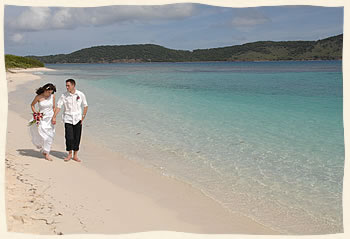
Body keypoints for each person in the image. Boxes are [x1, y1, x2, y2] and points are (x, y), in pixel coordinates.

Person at [52, 79, 88, 162]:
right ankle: (69, 154)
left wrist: (83, 116)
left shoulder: (80, 94)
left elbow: (85, 105)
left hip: (78, 119)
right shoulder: (64, 95)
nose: (67, 87)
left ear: (73, 85)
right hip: (67, 119)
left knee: (77, 137)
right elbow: (58, 107)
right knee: (69, 137)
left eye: (68, 85)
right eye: (66, 85)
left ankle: (75, 155)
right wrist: (54, 117)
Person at [30, 83, 57, 161]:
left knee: (50, 135)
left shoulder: (53, 96)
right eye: (48, 92)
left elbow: (54, 107)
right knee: (43, 135)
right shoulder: (38, 97)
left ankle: (47, 153)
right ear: (45, 90)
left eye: (51, 92)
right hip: (41, 118)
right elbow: (32, 105)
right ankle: (44, 149)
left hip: (50, 118)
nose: (50, 94)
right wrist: (36, 113)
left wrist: (54, 117)